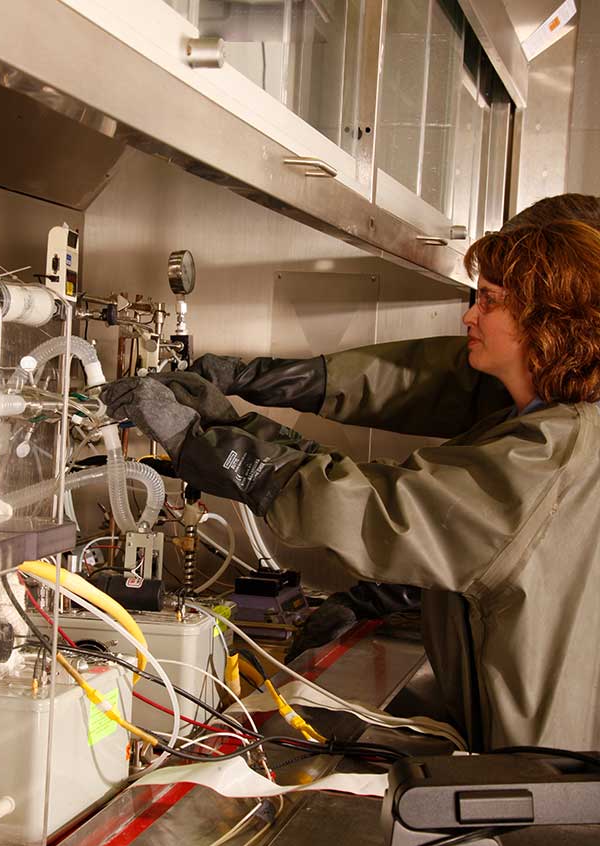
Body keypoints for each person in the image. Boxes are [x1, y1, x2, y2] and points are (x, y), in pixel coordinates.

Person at [103, 219, 600, 752]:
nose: (468, 316)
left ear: (548, 323)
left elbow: (375, 508)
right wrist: (234, 427)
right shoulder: (556, 424)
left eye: (490, 301)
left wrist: (201, 443)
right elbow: (390, 484)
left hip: (544, 774)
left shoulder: (546, 454)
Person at [187, 192, 600, 660]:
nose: (468, 316)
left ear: (553, 315)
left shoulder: (557, 442)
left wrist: (218, 449)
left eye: (490, 298)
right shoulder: (553, 400)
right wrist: (268, 384)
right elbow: (430, 380)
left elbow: (400, 510)